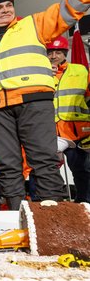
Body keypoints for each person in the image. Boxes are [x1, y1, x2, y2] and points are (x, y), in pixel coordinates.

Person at [0, 0, 90, 210]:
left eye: (8, 5)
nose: (5, 9)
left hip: (35, 102)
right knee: (8, 164)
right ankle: (18, 215)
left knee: (44, 161)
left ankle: (52, 217)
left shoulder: (35, 24)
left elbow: (73, 5)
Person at [46, 36, 90, 203]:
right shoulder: (40, 72)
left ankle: (84, 202)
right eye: (50, 52)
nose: (54, 56)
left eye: (58, 52)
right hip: (48, 129)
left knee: (81, 169)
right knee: (44, 169)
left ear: (65, 53)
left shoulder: (80, 71)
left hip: (75, 131)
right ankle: (48, 203)